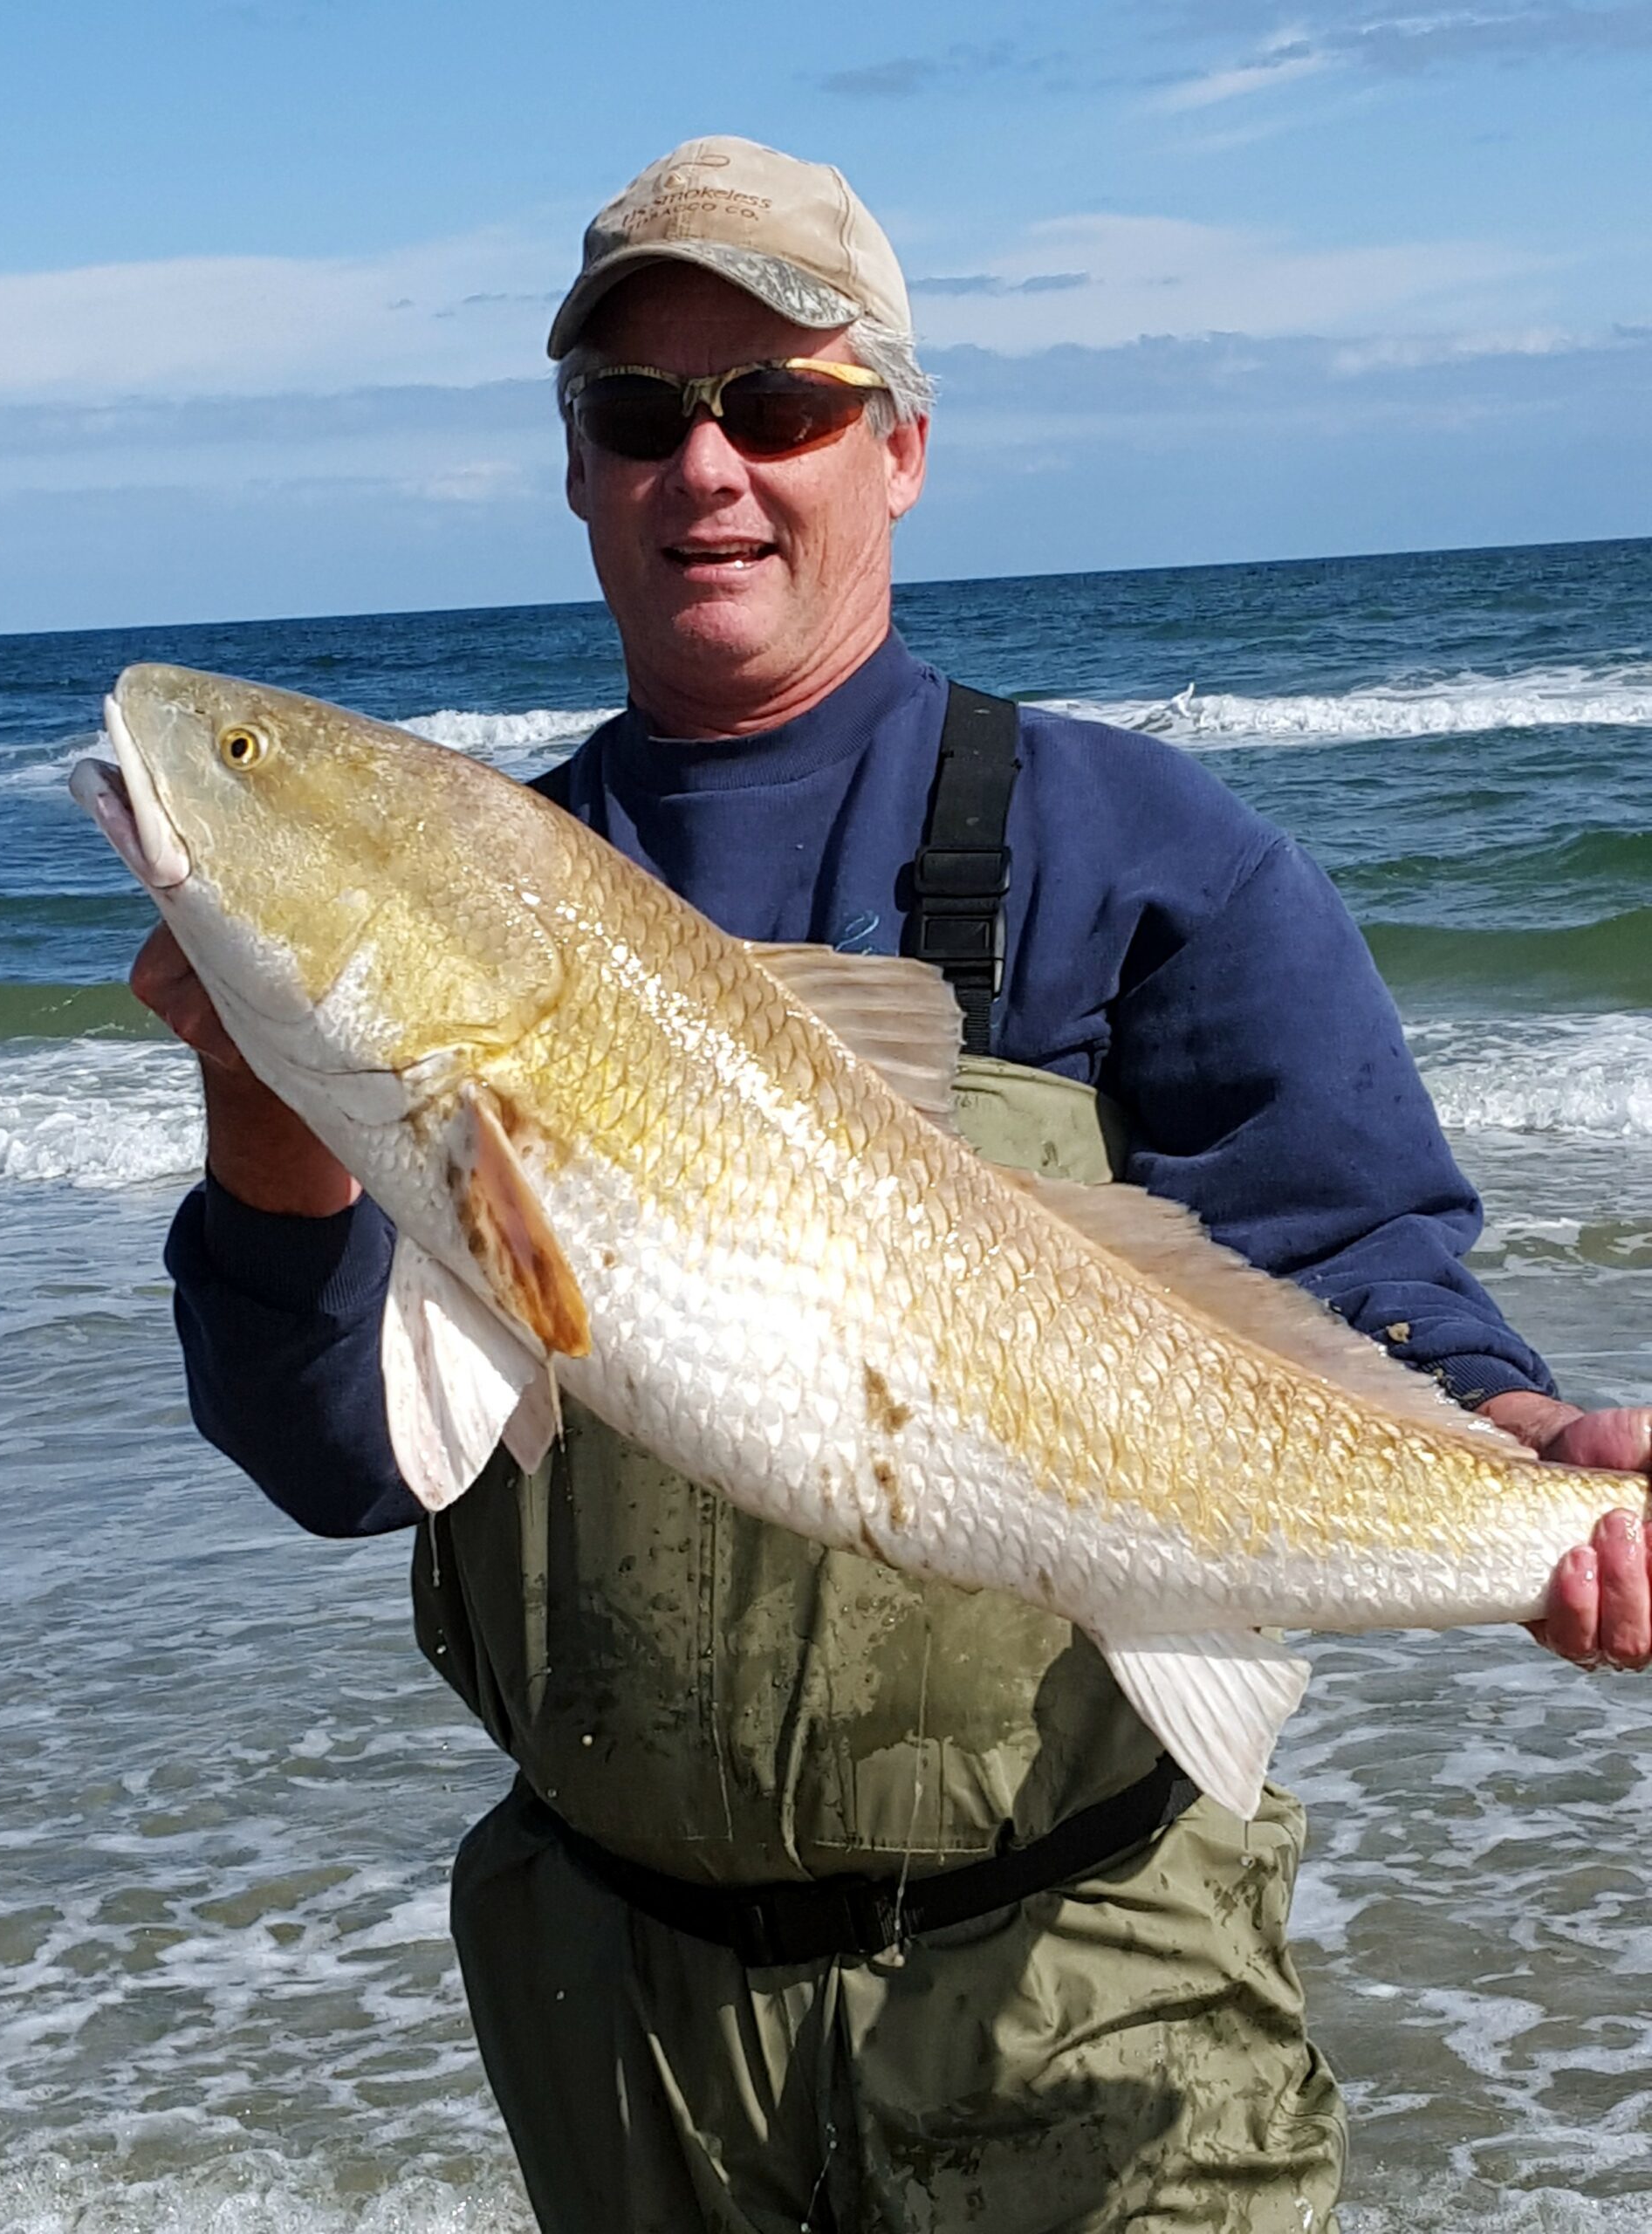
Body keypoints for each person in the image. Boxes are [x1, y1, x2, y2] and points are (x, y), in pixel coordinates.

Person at [134, 135, 1652, 2233]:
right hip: (622, 2012)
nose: (710, 468)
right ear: (575, 468)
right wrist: (270, 1086)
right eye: (639, 413)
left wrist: (1521, 1455)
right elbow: (339, 1458)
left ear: (902, 446)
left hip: (1089, 1986)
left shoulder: (1142, 850)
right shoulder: (480, 893)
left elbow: (1364, 1262)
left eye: (781, 403)